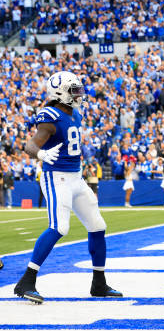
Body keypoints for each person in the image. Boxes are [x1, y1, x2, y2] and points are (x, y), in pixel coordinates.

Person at [14, 71, 121, 304]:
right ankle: (26, 281)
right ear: (60, 93)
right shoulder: (50, 116)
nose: (79, 94)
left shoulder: (75, 114)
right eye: (74, 90)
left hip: (76, 178)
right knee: (59, 227)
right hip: (57, 177)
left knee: (97, 226)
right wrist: (40, 153)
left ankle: (99, 283)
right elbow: (30, 144)